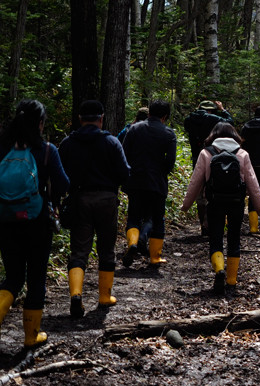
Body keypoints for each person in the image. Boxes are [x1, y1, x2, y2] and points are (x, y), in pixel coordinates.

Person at [0, 100, 69, 347]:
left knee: (13, 278)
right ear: (40, 123)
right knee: (36, 277)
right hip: (37, 221)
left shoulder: (3, 148)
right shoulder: (47, 150)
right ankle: (31, 337)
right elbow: (62, 184)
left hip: (5, 220)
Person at [58, 100, 130, 318]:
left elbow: (60, 176)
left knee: (79, 251)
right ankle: (104, 296)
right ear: (101, 118)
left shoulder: (68, 143)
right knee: (106, 249)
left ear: (80, 119)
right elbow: (125, 173)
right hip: (107, 199)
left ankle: (76, 295)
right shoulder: (111, 142)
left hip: (79, 199)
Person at [182, 123, 260, 295]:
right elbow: (252, 182)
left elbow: (196, 180)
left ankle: (219, 269)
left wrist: (186, 204)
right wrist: (259, 207)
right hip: (236, 202)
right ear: (235, 136)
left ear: (213, 136)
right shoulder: (242, 154)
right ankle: (231, 281)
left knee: (216, 239)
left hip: (215, 202)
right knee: (234, 240)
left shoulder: (206, 153)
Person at [122, 100, 177, 267]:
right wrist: (161, 172)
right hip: (157, 182)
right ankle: (154, 257)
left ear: (149, 112)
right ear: (165, 116)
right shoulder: (168, 133)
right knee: (156, 218)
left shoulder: (134, 129)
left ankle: (132, 243)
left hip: (135, 180)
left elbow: (124, 153)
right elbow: (170, 161)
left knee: (133, 216)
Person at [184, 100, 233, 235]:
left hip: (197, 158)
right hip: (213, 157)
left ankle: (203, 225)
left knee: (200, 192)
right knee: (214, 190)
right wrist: (223, 109)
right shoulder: (213, 119)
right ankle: (213, 223)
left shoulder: (189, 119)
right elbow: (229, 123)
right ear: (211, 110)